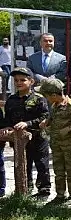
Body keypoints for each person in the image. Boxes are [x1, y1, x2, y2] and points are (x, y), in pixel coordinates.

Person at [2, 68, 51, 199]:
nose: (19, 83)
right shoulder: (11, 100)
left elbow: (45, 117)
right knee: (23, 165)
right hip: (19, 140)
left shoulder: (39, 99)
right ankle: (25, 190)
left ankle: (43, 191)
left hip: (38, 138)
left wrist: (28, 123)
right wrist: (7, 126)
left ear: (31, 81)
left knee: (42, 165)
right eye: (16, 80)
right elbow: (8, 118)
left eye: (22, 80)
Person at [38, 78, 71, 206]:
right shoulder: (54, 105)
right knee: (58, 170)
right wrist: (47, 121)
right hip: (56, 142)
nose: (46, 98)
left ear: (54, 95)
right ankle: (60, 195)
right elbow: (53, 117)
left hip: (70, 143)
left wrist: (68, 129)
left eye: (47, 96)